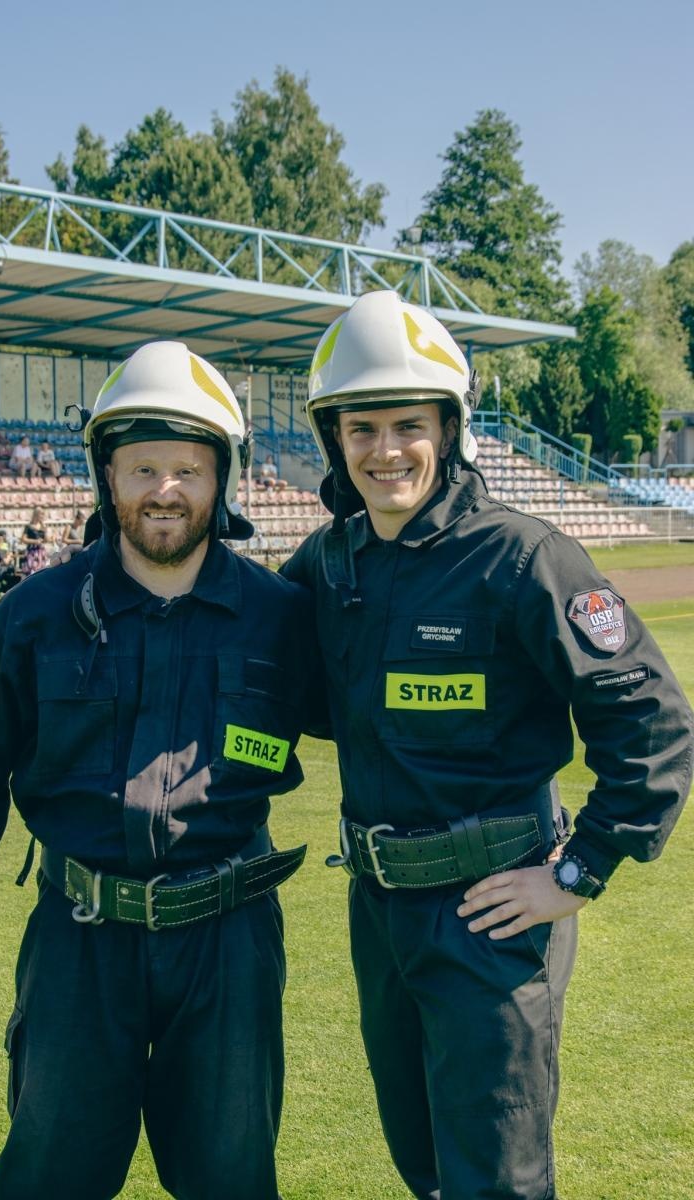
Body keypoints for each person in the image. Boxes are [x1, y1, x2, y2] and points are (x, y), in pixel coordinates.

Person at [281, 290, 693, 1200]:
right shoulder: (327, 562)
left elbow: (652, 722)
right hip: (379, 909)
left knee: (494, 1182)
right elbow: (266, 678)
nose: (385, 450)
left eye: (407, 425)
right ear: (332, 438)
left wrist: (579, 872)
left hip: (492, 914)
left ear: (450, 428)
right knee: (421, 1161)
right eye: (360, 428)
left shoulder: (522, 558)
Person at [0, 340, 322, 1200]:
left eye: (187, 468)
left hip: (228, 941)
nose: (165, 490)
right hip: (78, 935)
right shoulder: (35, 616)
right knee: (48, 1178)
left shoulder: (283, 617)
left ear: (223, 480)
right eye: (142, 468)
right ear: (108, 479)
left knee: (231, 1182)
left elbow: (394, 734)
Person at [20, 507, 47, 575]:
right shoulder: (29, 526)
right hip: (32, 551)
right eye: (41, 514)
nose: (43, 516)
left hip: (40, 551)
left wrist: (46, 532)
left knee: (41, 572)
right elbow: (23, 539)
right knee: (32, 571)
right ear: (36, 514)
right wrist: (35, 541)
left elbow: (45, 540)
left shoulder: (43, 526)